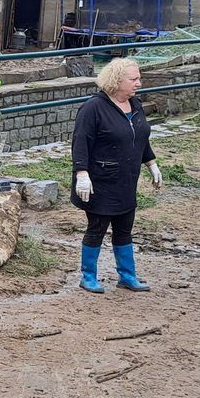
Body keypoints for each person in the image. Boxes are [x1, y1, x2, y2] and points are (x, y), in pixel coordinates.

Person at [70, 57, 163, 293]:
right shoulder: (93, 108)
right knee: (97, 228)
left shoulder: (136, 105)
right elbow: (80, 143)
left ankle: (127, 276)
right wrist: (82, 173)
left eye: (138, 78)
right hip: (99, 181)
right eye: (134, 79)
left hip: (126, 180)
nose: (139, 83)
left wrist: (151, 164)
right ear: (116, 81)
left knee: (124, 228)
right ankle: (88, 276)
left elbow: (141, 137)